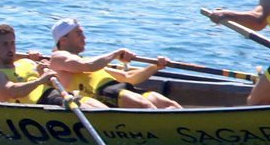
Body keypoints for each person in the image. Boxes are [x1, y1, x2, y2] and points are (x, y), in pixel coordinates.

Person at [47, 19, 182, 110]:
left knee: (172, 105)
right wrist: (115, 54)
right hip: (103, 93)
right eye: (78, 33)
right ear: (64, 40)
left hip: (122, 88)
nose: (84, 37)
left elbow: (129, 78)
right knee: (147, 108)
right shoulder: (58, 58)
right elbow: (86, 66)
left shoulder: (89, 60)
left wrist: (156, 67)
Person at [0, 23, 68, 106]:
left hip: (59, 98)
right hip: (41, 105)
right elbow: (12, 92)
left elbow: (55, 83)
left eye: (12, 43)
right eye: (5, 44)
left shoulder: (27, 62)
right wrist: (40, 80)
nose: (10, 48)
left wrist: (44, 72)